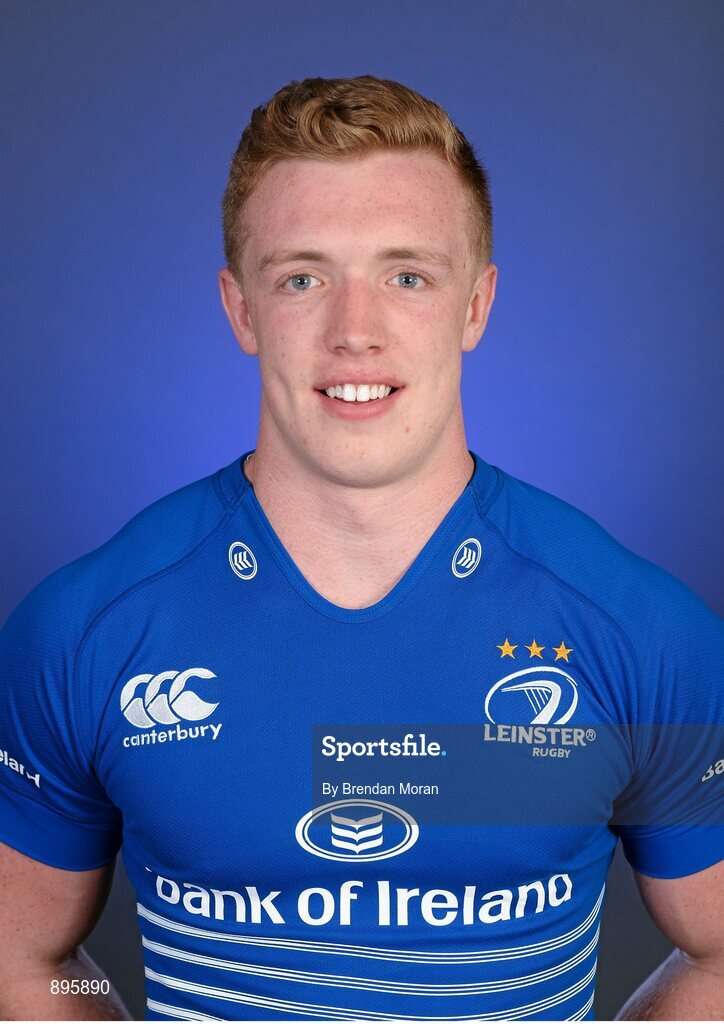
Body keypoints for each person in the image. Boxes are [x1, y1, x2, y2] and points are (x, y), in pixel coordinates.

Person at [0, 74, 721, 1023]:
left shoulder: (644, 633)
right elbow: (25, 955)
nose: (355, 333)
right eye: (303, 277)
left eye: (407, 276)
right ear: (240, 309)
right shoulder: (84, 630)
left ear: (476, 304)